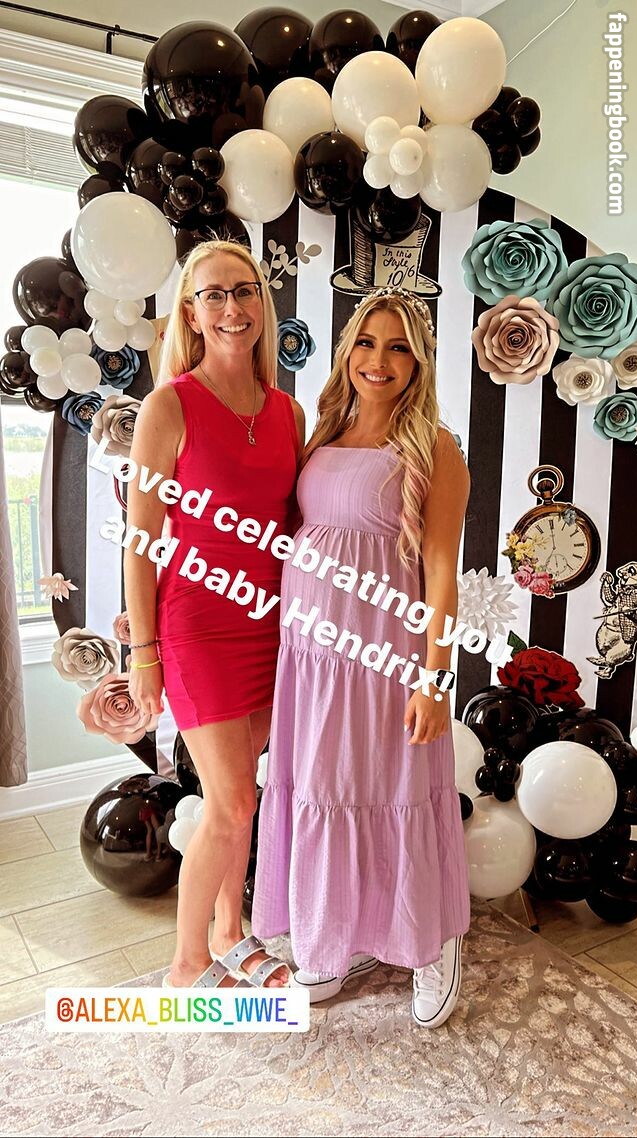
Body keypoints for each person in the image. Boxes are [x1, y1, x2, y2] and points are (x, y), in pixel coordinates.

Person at [252, 286, 471, 1027]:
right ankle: (334, 935)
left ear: (419, 362)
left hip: (387, 656)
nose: (380, 360)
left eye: (399, 346)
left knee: (398, 788)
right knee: (325, 787)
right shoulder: (322, 432)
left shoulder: (436, 448)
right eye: (368, 343)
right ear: (348, 352)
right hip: (312, 657)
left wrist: (435, 679)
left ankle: (432, 943)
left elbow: (439, 570)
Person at [125, 239, 305, 990]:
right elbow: (141, 542)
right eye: (214, 295)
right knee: (231, 802)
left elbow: (296, 526)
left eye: (245, 290)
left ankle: (231, 934)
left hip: (271, 625)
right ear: (192, 315)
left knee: (241, 797)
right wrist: (143, 653)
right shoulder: (169, 406)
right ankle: (186, 963)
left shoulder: (288, 411)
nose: (233, 307)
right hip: (199, 627)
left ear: (261, 303)